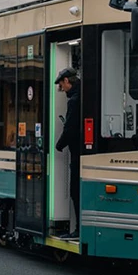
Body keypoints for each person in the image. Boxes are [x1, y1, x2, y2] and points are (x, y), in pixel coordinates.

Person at [55, 67, 81, 239]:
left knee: (75, 191)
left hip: (77, 152)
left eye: (61, 85)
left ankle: (78, 228)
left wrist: (59, 144)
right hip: (83, 152)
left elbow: (70, 128)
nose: (61, 89)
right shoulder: (84, 93)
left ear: (67, 81)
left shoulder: (74, 100)